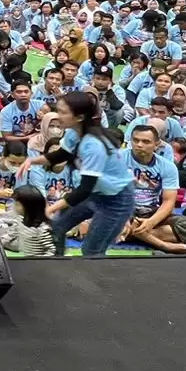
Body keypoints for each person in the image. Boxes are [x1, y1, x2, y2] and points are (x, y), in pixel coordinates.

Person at [42, 91, 134, 258]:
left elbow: (85, 188)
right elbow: (60, 157)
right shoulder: (72, 134)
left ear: (79, 117)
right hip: (93, 193)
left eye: (63, 112)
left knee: (91, 251)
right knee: (56, 226)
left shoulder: (94, 144)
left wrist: (54, 207)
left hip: (116, 200)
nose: (58, 116)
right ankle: (57, 264)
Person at [120, 122, 186, 254]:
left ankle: (131, 234)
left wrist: (151, 222)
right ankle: (160, 243)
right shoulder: (117, 159)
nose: (139, 145)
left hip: (151, 211)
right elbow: (110, 195)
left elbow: (169, 201)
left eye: (146, 141)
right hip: (122, 210)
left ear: (157, 144)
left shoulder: (167, 166)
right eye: (135, 140)